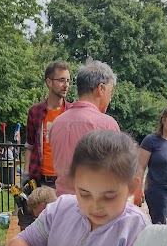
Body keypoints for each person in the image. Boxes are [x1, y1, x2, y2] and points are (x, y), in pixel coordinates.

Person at [9, 130, 149, 246]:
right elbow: (20, 240)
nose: (95, 206)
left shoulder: (136, 229)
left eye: (109, 196)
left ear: (132, 187)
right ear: (73, 183)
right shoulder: (61, 209)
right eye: (84, 193)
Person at [49, 59, 120, 197]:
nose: (110, 99)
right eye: (110, 92)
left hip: (62, 204)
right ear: (100, 89)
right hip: (93, 206)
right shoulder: (107, 125)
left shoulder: (57, 122)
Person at [23, 61, 72, 188]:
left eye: (68, 81)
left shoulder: (72, 112)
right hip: (39, 179)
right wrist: (25, 174)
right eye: (62, 80)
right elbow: (29, 145)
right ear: (49, 82)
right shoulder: (35, 111)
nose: (66, 85)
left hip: (65, 180)